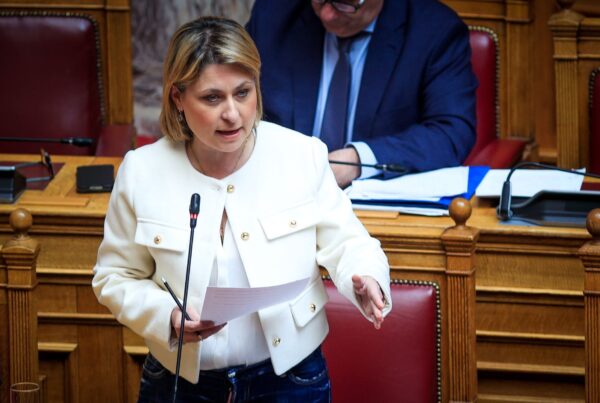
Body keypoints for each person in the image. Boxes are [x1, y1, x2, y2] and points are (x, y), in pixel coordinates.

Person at [92, 16, 391, 402]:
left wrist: (367, 277)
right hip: (180, 382)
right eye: (212, 98)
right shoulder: (141, 171)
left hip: (289, 380)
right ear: (177, 98)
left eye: (243, 92)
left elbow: (349, 244)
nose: (232, 113)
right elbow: (115, 276)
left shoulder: (302, 156)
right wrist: (167, 316)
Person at [246, 0, 478, 187]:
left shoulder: (433, 30)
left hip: (377, 210)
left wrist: (358, 160)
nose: (327, 14)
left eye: (345, 3)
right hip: (280, 195)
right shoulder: (273, 15)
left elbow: (451, 131)